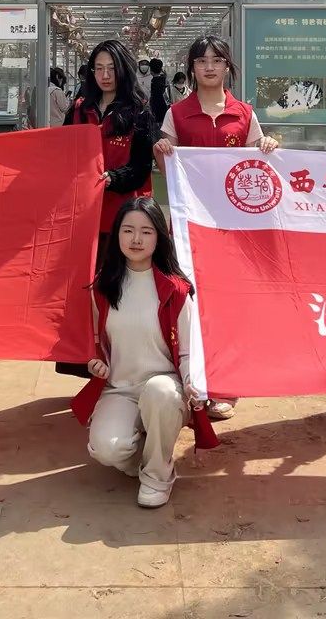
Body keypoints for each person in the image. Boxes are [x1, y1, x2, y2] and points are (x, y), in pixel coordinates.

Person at [154, 33, 279, 420]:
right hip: (190, 226)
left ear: (228, 66)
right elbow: (167, 169)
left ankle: (226, 383)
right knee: (189, 302)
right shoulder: (177, 114)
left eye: (217, 60)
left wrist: (268, 146)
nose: (209, 67)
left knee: (229, 302)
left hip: (232, 228)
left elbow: (257, 162)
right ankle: (192, 380)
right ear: (192, 68)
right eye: (201, 61)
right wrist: (162, 151)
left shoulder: (244, 114)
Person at [71, 197, 218, 508]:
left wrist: (191, 383)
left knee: (160, 393)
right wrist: (97, 362)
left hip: (166, 388)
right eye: (128, 230)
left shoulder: (175, 290)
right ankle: (147, 454)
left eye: (146, 232)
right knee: (107, 450)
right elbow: (97, 342)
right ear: (117, 234)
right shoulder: (103, 286)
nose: (136, 239)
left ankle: (157, 475)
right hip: (120, 388)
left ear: (159, 237)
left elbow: (189, 351)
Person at [65, 40, 155, 237]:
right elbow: (63, 152)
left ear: (124, 69)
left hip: (124, 218)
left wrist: (113, 178)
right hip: (82, 213)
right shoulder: (79, 110)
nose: (105, 75)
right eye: (99, 68)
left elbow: (142, 167)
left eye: (112, 68)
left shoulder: (138, 112)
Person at [148, 58, 170, 127]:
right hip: (165, 109)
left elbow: (156, 99)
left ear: (151, 70)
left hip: (158, 111)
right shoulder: (164, 79)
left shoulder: (155, 82)